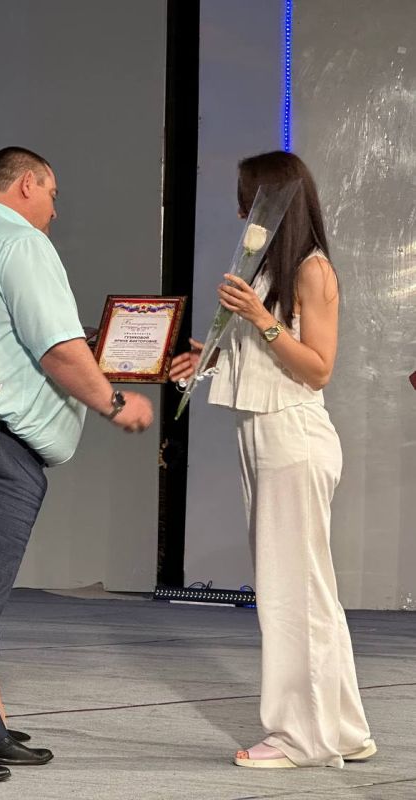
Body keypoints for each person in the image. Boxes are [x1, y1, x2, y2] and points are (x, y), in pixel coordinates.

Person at [0, 147, 155, 782]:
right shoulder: (21, 242)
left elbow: (6, 335)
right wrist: (114, 401)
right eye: (52, 194)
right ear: (26, 184)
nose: (55, 209)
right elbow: (57, 349)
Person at [169, 150, 375, 769]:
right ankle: (343, 729)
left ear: (275, 202)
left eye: (249, 200)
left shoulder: (313, 269)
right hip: (266, 435)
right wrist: (212, 355)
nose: (242, 213)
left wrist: (258, 319)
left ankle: (300, 738)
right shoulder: (269, 269)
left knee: (291, 594)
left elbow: (318, 368)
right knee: (308, 590)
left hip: (292, 437)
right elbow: (268, 356)